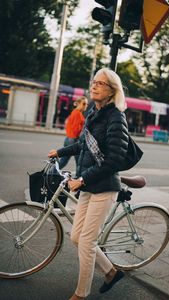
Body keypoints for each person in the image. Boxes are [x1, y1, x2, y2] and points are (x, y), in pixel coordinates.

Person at [48, 68, 129, 300]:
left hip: (103, 186)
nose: (94, 86)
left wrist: (82, 179)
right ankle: (112, 272)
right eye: (94, 82)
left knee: (86, 240)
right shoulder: (94, 111)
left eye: (101, 84)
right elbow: (82, 145)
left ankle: (81, 294)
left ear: (112, 91)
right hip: (87, 184)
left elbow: (114, 160)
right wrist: (60, 151)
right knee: (76, 237)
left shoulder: (116, 117)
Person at [59, 96, 88, 170]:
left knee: (64, 160)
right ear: (78, 104)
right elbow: (75, 129)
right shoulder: (77, 113)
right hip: (74, 139)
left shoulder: (75, 112)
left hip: (68, 138)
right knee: (79, 161)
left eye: (86, 104)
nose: (86, 106)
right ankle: (78, 177)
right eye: (84, 104)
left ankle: (51, 173)